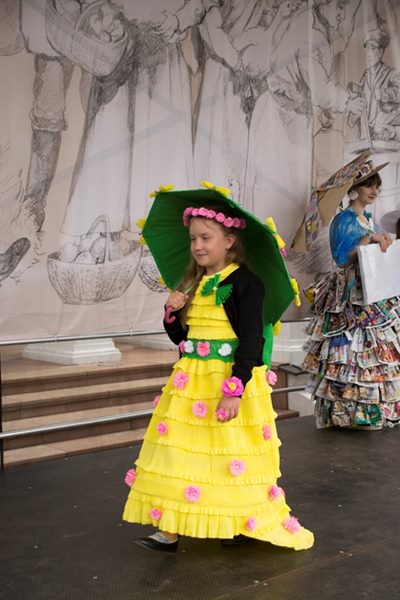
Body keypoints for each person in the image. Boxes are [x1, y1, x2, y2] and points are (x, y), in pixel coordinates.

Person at [123, 193, 314, 552]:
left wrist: (235, 388)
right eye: (193, 238)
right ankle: (170, 528)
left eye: (205, 238)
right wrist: (171, 313)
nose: (197, 246)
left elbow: (252, 340)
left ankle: (236, 521)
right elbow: (183, 339)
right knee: (181, 452)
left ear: (228, 241)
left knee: (230, 454)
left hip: (228, 379)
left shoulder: (246, 284)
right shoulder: (191, 284)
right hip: (192, 383)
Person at [303, 160, 400, 430]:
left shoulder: (367, 219)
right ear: (354, 188)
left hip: (371, 291)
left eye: (377, 186)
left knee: (371, 350)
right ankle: (344, 414)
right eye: (369, 185)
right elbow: (342, 259)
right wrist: (368, 241)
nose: (374, 191)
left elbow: (371, 253)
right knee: (347, 350)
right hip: (350, 293)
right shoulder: (343, 220)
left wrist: (381, 241)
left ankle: (370, 411)